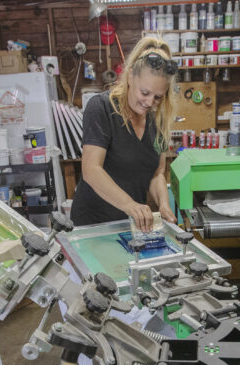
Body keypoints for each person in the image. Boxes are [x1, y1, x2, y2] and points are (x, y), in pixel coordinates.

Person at [71, 37, 178, 232]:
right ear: (130, 77)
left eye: (157, 97)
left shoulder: (159, 120)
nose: (149, 102)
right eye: (144, 92)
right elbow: (91, 170)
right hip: (93, 224)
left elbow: (157, 174)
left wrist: (163, 204)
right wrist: (130, 205)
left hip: (131, 225)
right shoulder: (101, 108)